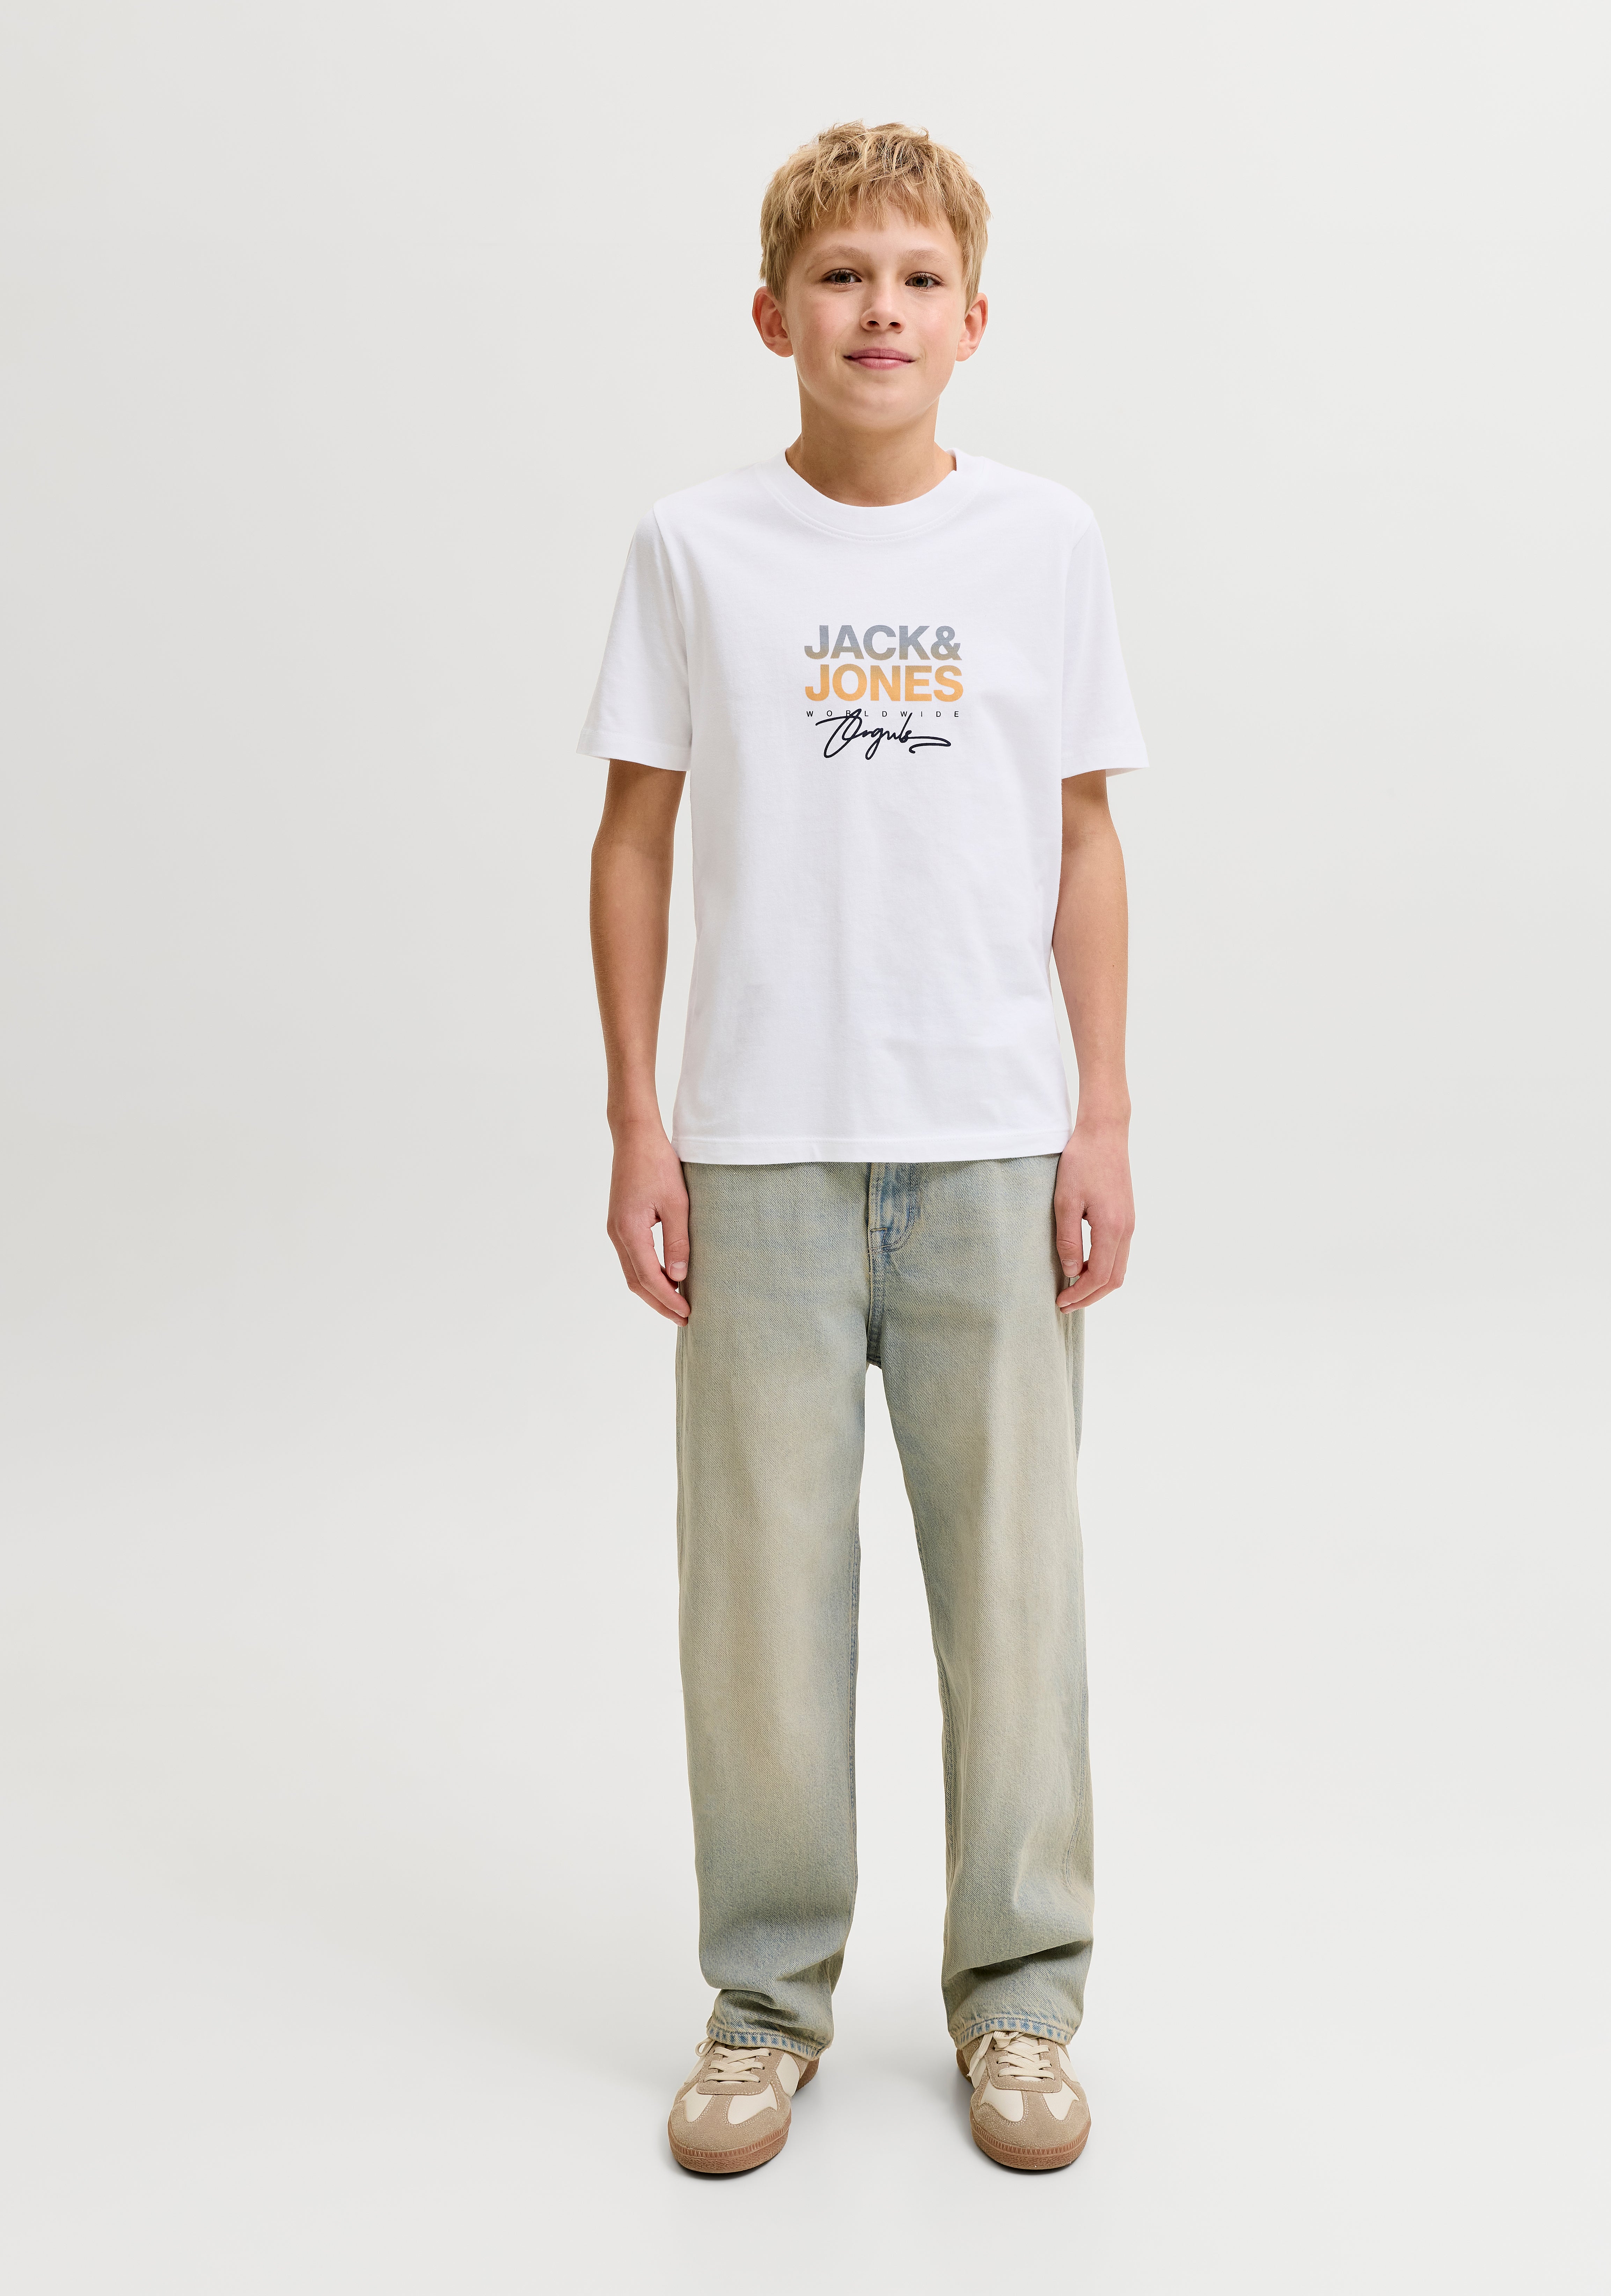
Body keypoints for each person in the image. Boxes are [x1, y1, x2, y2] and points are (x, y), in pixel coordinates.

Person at [582, 120, 1145, 2175]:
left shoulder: (1042, 543)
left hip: (990, 1140)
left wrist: (1101, 1111)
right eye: (841, 279)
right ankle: (763, 2004)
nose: (879, 312)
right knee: (757, 1604)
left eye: (916, 280)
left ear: (973, 318)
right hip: (763, 1148)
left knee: (1015, 1597)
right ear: (773, 316)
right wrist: (639, 1118)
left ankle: (1021, 1999)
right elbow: (633, 841)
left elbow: (1084, 837)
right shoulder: (695, 548)